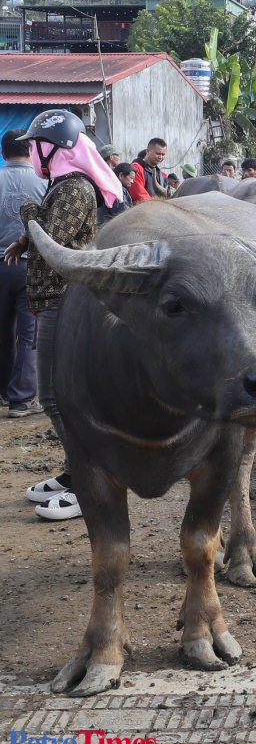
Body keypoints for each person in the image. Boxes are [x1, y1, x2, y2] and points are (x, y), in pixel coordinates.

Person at [9, 109, 126, 521]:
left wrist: (27, 215)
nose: (32, 150)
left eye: (35, 143)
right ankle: (75, 470)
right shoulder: (61, 185)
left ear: (55, 147)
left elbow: (53, 240)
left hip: (64, 299)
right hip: (52, 298)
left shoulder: (75, 188)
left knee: (56, 398)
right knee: (57, 396)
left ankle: (92, 479)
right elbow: (46, 235)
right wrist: (23, 240)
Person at [0, 129, 45, 419]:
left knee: (3, 332)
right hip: (31, 266)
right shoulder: (45, 182)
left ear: (3, 152)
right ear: (31, 150)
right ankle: (21, 399)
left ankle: (5, 391)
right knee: (29, 335)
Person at [128, 138, 170, 202]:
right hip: (141, 210)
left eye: (163, 154)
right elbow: (140, 196)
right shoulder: (136, 168)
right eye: (158, 153)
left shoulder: (163, 175)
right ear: (147, 151)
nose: (160, 157)